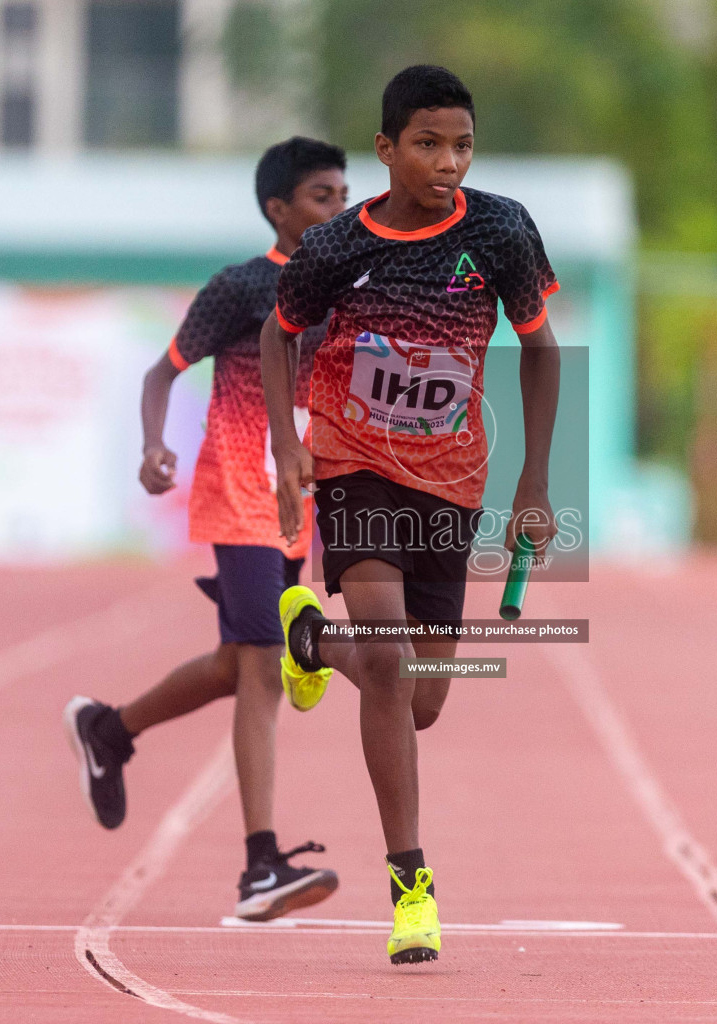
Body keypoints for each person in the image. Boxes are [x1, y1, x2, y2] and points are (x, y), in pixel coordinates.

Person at [257, 65, 562, 965]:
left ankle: (311, 640)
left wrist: (533, 486)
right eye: (428, 144)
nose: (448, 162)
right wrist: (289, 447)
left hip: (450, 479)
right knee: (389, 656)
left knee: (420, 700)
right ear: (386, 149)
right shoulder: (335, 247)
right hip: (354, 463)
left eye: (462, 144)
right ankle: (411, 887)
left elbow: (539, 351)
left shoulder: (502, 231)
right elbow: (281, 335)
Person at [63, 137, 349, 922]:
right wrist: (155, 445)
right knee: (264, 667)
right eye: (323, 196)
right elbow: (163, 371)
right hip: (238, 493)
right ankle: (261, 865)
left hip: (299, 509)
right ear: (279, 209)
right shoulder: (242, 288)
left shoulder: (345, 292)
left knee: (238, 664)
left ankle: (109, 729)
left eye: (344, 193)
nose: (339, 208)